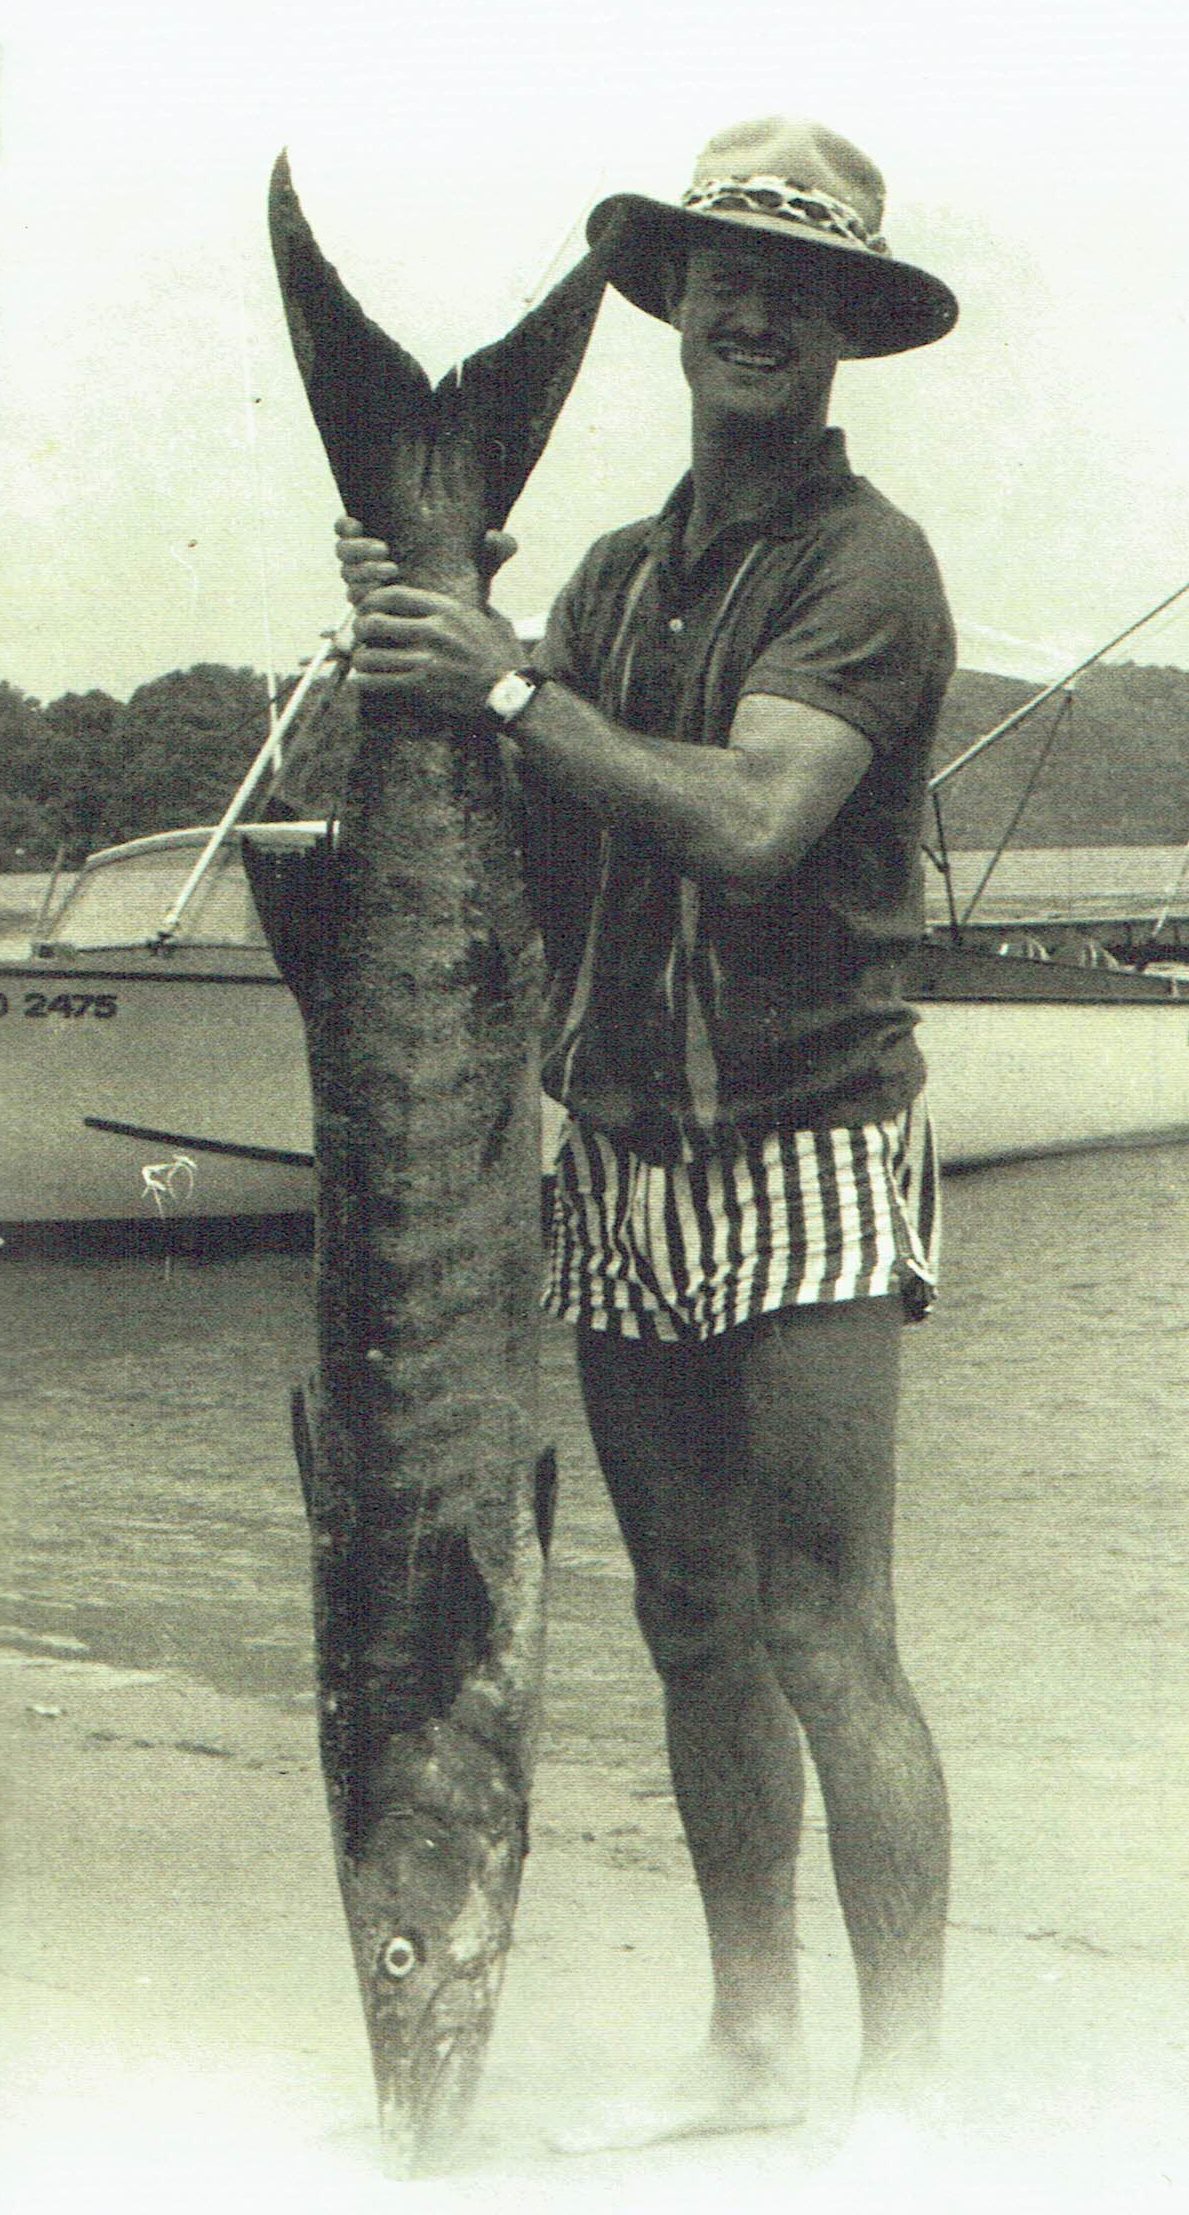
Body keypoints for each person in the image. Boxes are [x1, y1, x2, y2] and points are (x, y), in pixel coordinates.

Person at [337, 115, 959, 2151]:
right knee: (689, 1622)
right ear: (674, 302)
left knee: (824, 1627)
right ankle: (752, 2043)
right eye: (723, 274)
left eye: (797, 286)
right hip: (617, 1157)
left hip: (805, 1143)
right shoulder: (607, 579)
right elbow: (539, 831)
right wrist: (427, 651)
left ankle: (910, 2087)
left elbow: (755, 818)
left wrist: (510, 695)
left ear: (845, 329)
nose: (752, 311)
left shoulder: (866, 566)